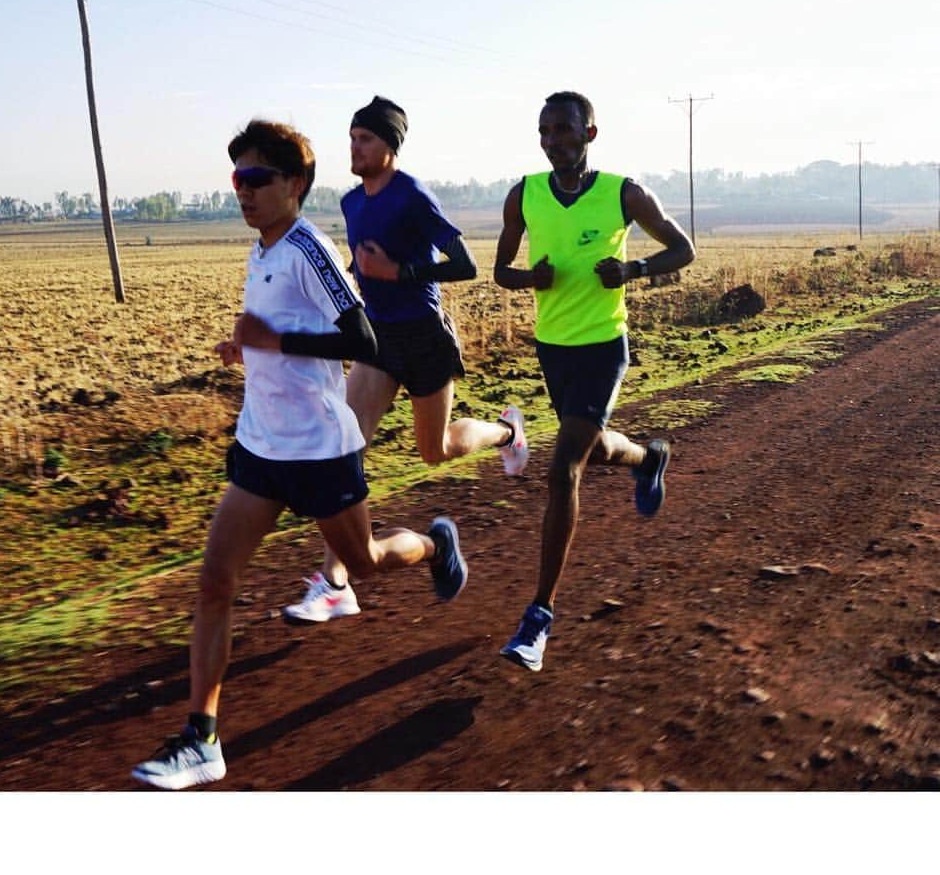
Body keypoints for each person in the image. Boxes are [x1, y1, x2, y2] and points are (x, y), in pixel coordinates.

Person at [132, 120, 468, 789]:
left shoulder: (310, 246)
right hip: (262, 443)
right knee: (214, 582)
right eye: (237, 180)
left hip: (319, 451)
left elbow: (366, 341)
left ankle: (434, 545)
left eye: (256, 180)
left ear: (295, 184)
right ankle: (201, 738)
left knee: (365, 565)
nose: (243, 192)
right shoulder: (261, 250)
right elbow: (279, 332)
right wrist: (249, 347)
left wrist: (275, 342)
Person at [282, 95, 528, 624]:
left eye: (365, 139)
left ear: (389, 147)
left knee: (434, 450)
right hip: (378, 340)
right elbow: (359, 265)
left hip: (424, 337)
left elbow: (463, 263)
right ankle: (334, 583)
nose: (355, 146)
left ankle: (507, 433)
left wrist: (403, 274)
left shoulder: (413, 195)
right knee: (342, 448)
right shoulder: (352, 203)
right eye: (351, 137)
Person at [493, 91, 695, 673]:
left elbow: (683, 249)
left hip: (605, 347)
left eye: (562, 130)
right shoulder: (523, 194)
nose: (552, 140)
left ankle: (539, 616)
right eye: (544, 131)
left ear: (590, 134)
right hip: (553, 349)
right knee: (595, 446)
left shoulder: (623, 192)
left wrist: (632, 269)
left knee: (563, 470)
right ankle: (648, 458)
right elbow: (502, 271)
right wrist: (532, 276)